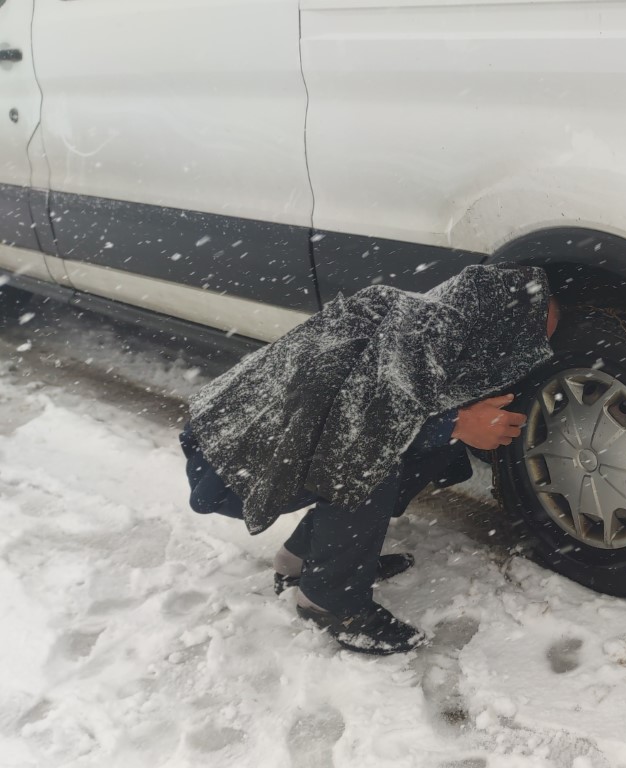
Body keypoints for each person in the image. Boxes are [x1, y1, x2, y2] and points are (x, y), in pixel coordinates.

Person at [180, 265, 560, 655]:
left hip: (262, 444)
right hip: (230, 466)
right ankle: (328, 601)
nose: (525, 357)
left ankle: (303, 558)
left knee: (422, 447)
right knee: (370, 459)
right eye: (526, 342)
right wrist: (459, 423)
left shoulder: (432, 322)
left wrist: (454, 427)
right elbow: (356, 429)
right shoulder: (416, 335)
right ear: (498, 325)